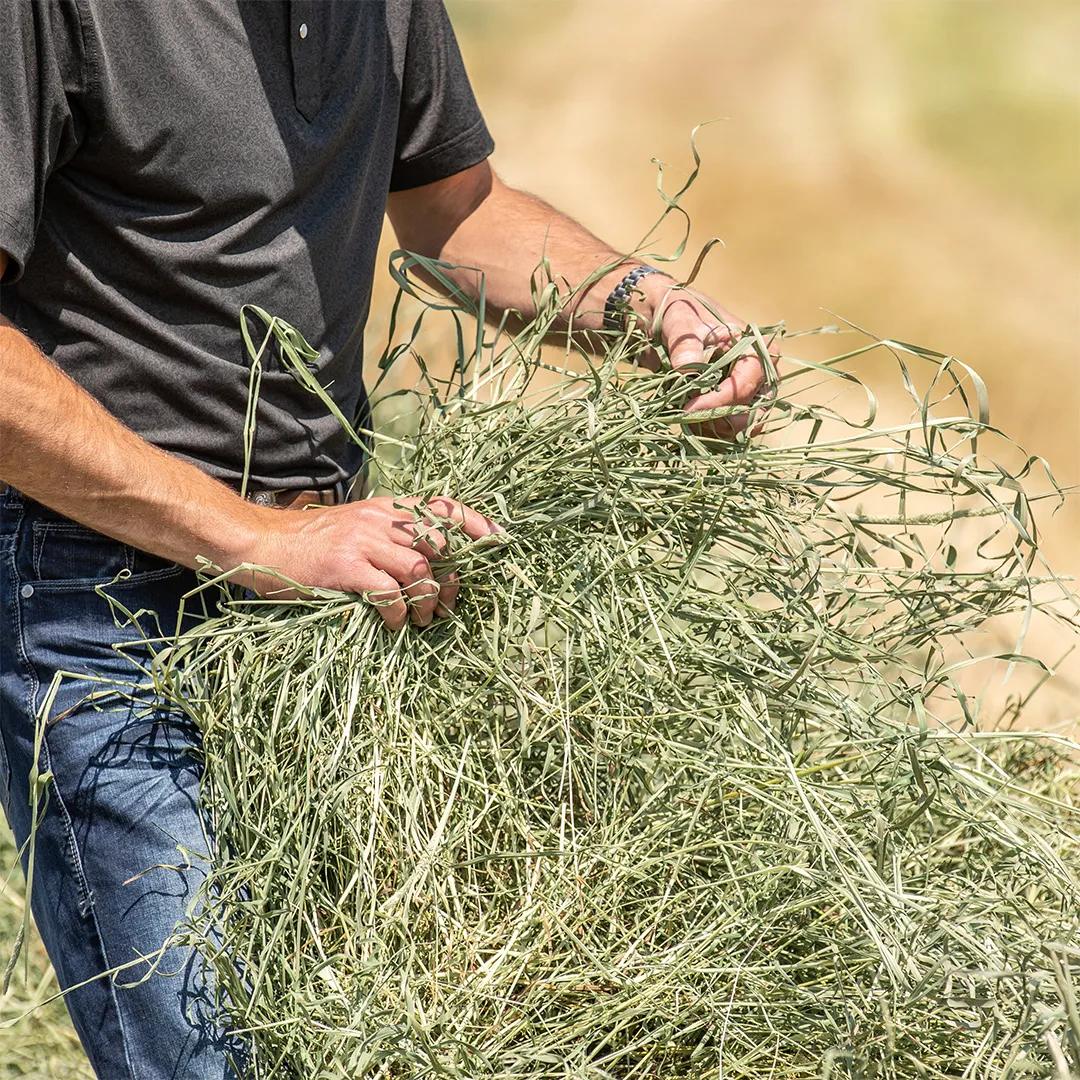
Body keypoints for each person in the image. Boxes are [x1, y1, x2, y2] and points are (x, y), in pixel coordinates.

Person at [0, 2, 769, 1076]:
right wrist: (251, 538)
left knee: (368, 1040)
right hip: (104, 601)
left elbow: (460, 208)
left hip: (331, 607)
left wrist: (649, 304)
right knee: (219, 1053)